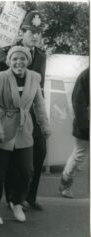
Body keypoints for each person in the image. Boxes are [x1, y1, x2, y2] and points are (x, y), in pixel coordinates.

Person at [0, 46, 50, 224]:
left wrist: (45, 125)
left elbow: (39, 104)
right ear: (9, 61)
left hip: (24, 130)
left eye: (22, 58)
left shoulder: (35, 78)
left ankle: (17, 202)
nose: (18, 62)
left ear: (28, 61)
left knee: (26, 170)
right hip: (2, 128)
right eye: (14, 59)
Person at [0, 11, 47, 211]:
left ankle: (29, 196)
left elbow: (40, 88)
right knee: (12, 155)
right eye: (31, 31)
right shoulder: (7, 52)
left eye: (38, 32)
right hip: (12, 112)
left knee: (40, 152)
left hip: (33, 113)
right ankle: (12, 197)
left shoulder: (41, 56)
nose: (35, 36)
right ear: (22, 32)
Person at [59, 68, 89, 198]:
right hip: (86, 123)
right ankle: (65, 184)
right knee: (79, 155)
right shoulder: (86, 75)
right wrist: (85, 126)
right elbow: (78, 102)